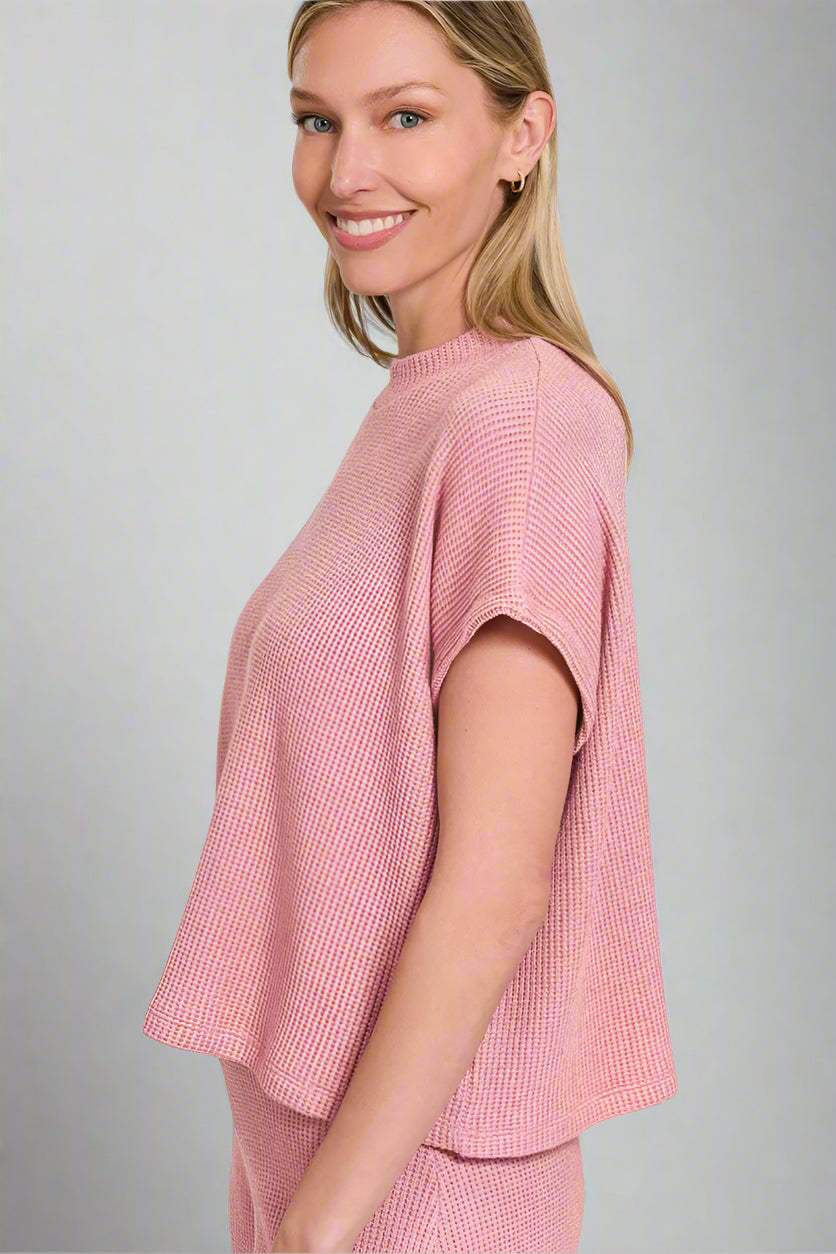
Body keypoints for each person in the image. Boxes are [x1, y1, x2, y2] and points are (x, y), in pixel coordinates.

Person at [142, 3, 678, 1251]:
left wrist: (315, 1229)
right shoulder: (427, 407)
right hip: (323, 1155)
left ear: (520, 136)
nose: (346, 172)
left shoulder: (520, 424)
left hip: (409, 1188)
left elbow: (495, 884)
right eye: (315, 121)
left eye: (404, 117)